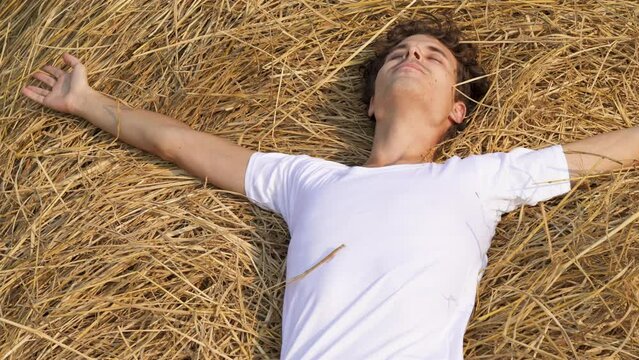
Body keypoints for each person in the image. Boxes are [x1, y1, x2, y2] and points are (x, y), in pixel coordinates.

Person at [21, 14, 637, 360]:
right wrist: (89, 102)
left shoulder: (478, 180)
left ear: (457, 110)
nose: (413, 57)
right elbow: (179, 144)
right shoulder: (308, 179)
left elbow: (603, 153)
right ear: (371, 103)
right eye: (400, 53)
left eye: (433, 57)